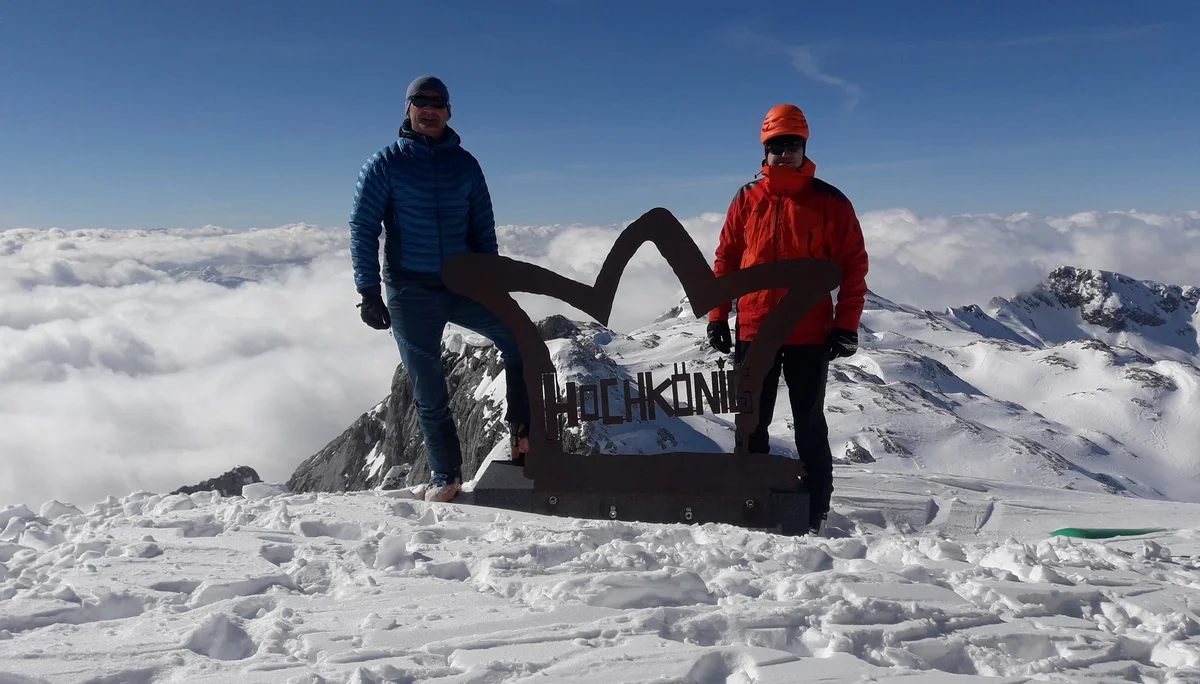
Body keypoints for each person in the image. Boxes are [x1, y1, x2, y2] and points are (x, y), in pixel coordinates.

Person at [348, 75, 531, 503]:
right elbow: (362, 228)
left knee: (519, 338)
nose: (429, 109)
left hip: (465, 283)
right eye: (420, 102)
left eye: (438, 103)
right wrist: (368, 291)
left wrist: (492, 279)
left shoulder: (466, 164)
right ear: (408, 109)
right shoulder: (385, 164)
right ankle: (445, 476)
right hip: (410, 288)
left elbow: (482, 227)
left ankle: (523, 437)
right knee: (429, 385)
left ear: (448, 112)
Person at [706, 103, 869, 533]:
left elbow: (853, 265)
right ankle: (748, 505)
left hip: (809, 332)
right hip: (754, 329)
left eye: (792, 144)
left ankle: (815, 512)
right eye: (776, 145)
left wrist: (846, 325)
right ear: (765, 149)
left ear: (804, 147)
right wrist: (718, 315)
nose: (784, 153)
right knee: (750, 424)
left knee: (809, 425)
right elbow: (727, 258)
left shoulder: (830, 202)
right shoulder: (747, 197)